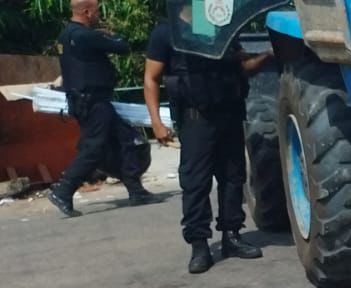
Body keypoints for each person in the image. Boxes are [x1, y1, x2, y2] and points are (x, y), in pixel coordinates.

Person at [144, 17, 272, 273]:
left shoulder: (219, 29)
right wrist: (156, 122)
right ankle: (199, 244)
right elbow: (151, 78)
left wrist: (267, 56)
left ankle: (232, 236)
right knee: (196, 182)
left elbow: (243, 67)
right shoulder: (167, 32)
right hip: (196, 119)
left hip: (229, 113)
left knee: (233, 177)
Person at [49, 0, 160, 216]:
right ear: (87, 12)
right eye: (97, 11)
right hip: (94, 102)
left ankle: (136, 191)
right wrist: (110, 35)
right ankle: (64, 190)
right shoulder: (86, 36)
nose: (99, 15)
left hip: (85, 101)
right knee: (94, 148)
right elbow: (122, 47)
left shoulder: (66, 35)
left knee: (126, 140)